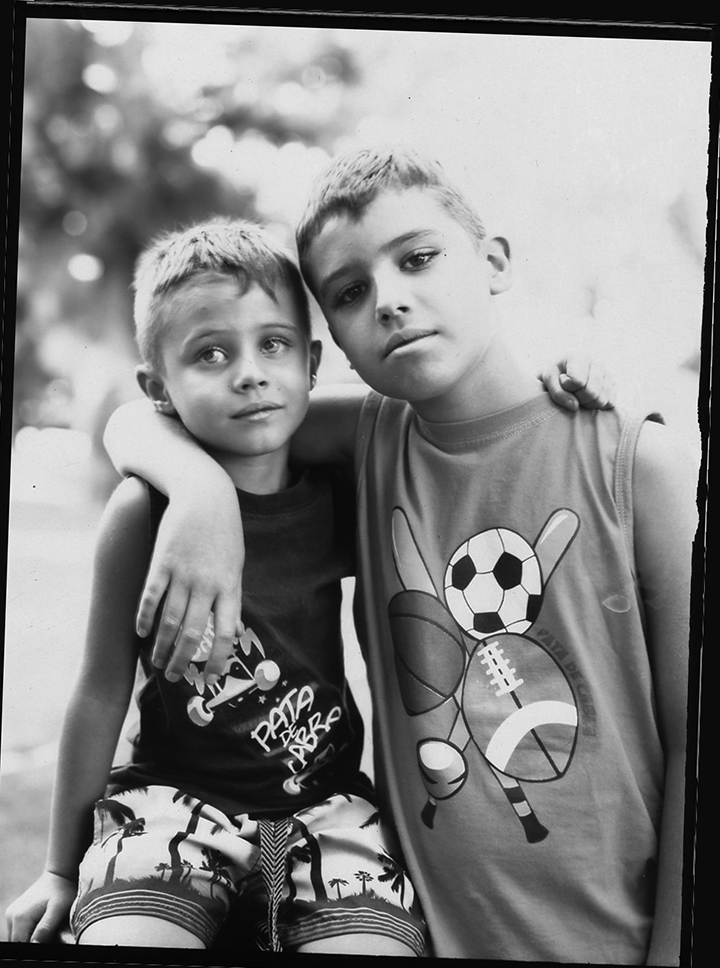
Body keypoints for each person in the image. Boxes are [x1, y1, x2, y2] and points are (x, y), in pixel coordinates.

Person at [99, 145, 694, 964]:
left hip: (619, 940)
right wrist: (200, 494)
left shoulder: (637, 464)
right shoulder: (370, 442)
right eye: (349, 292)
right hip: (428, 936)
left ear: (494, 262)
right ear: (334, 342)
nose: (389, 301)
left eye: (418, 258)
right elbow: (146, 417)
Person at [5, 217, 428, 956]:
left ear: (312, 362)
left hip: (328, 810)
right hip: (171, 807)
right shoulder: (141, 512)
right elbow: (100, 690)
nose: (249, 373)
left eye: (274, 344)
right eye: (210, 353)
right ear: (158, 389)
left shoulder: (343, 495)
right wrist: (59, 869)